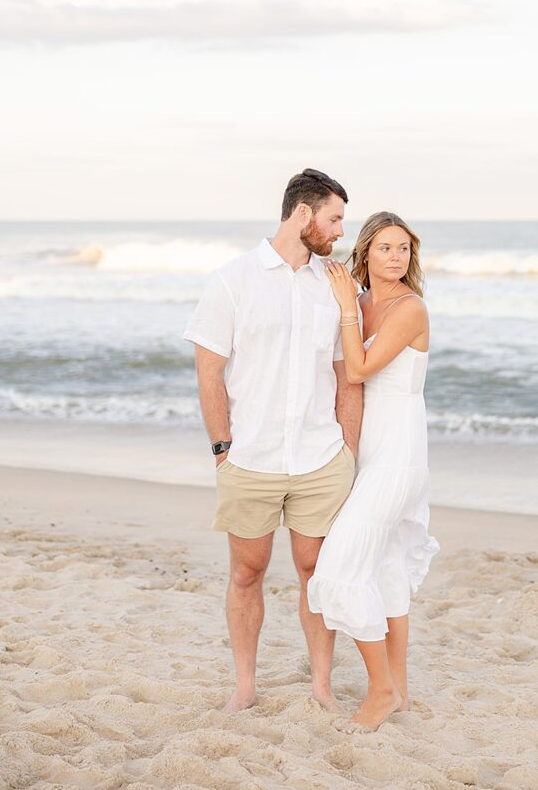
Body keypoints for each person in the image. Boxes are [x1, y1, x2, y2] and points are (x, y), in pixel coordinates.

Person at [183, 168, 363, 714]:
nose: (338, 232)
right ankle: (245, 686)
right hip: (251, 458)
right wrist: (222, 448)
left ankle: (322, 686)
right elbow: (209, 372)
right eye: (333, 219)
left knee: (317, 571)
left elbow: (346, 375)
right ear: (303, 214)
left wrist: (347, 452)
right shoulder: (232, 280)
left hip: (319, 458)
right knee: (247, 571)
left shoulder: (335, 287)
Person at [307, 211, 440, 731]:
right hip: (367, 450)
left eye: (403, 248)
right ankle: (401, 691)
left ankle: (381, 690)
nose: (396, 257)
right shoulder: (362, 302)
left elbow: (359, 369)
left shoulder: (411, 308)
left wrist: (344, 309)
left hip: (400, 453)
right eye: (385, 248)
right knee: (383, 569)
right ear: (365, 253)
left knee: (339, 567)